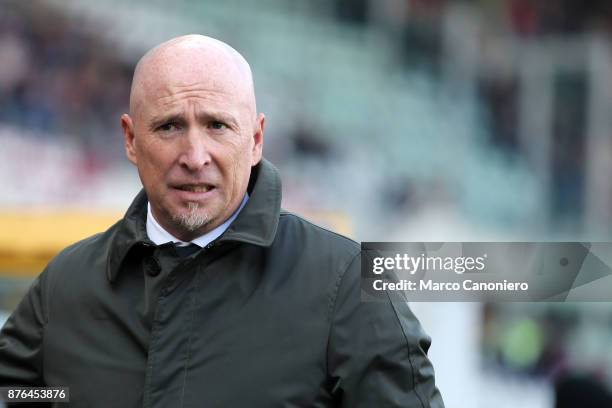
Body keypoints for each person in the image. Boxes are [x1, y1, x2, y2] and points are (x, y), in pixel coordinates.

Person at [0, 35, 444, 407]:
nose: (195, 158)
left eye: (217, 126)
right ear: (131, 140)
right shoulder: (66, 287)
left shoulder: (347, 286)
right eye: (170, 127)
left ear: (254, 140)